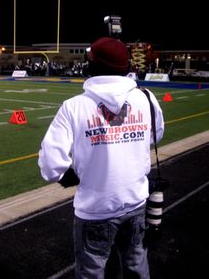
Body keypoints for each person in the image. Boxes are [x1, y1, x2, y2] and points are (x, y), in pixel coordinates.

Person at [38, 37, 164, 279]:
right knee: (137, 269)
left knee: (91, 274)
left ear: (93, 65)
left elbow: (51, 165)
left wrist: (68, 174)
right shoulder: (146, 97)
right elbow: (155, 135)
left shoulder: (73, 107)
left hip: (95, 210)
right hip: (136, 202)